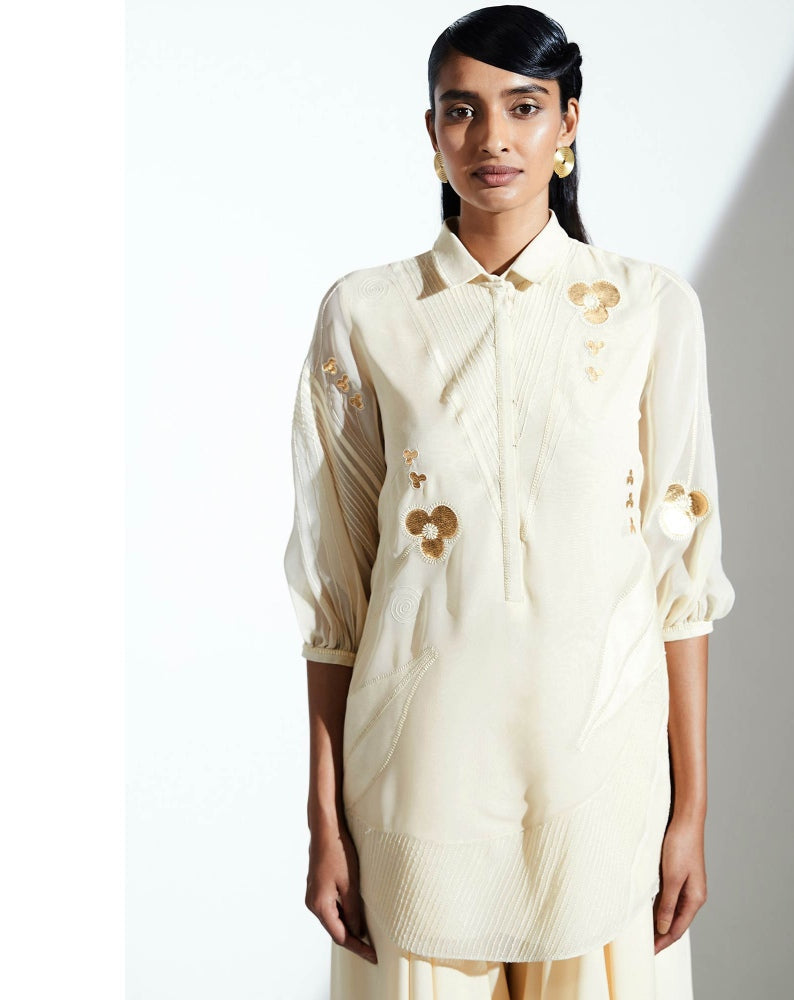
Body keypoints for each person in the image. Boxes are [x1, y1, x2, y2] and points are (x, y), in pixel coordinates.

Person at [282, 6, 736, 997]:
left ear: (568, 123)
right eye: (463, 110)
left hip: (601, 786)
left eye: (524, 107)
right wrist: (324, 820)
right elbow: (336, 600)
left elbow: (682, 583)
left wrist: (691, 810)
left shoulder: (650, 310)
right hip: (415, 791)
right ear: (431, 129)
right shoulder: (365, 315)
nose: (492, 137)